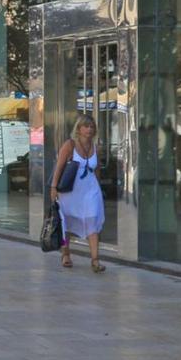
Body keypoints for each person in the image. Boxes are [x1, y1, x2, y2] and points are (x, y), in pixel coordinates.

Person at [50, 114, 106, 273]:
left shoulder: (96, 147)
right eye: (86, 126)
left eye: (92, 127)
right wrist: (53, 188)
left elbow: (97, 169)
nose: (89, 129)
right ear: (79, 128)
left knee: (92, 220)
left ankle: (95, 260)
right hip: (70, 191)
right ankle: (66, 253)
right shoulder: (70, 145)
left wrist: (100, 189)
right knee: (66, 222)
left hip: (90, 190)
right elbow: (59, 167)